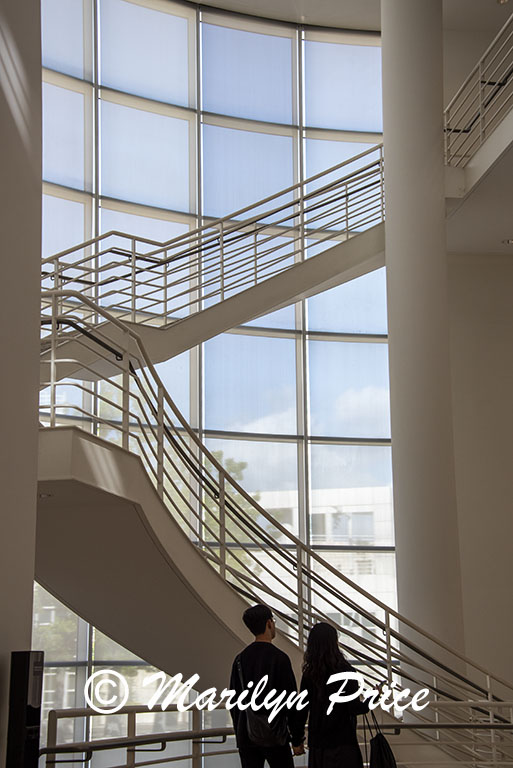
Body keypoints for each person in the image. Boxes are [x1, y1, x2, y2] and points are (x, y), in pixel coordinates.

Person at [230, 604, 303, 768]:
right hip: (275, 736)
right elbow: (291, 702)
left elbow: (234, 702)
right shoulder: (279, 658)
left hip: (247, 736)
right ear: (269, 623)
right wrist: (297, 739)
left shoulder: (240, 660)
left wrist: (241, 730)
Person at [292, 622, 369, 768]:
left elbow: (301, 710)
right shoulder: (347, 672)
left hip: (319, 745)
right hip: (344, 743)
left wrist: (297, 740)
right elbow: (354, 708)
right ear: (335, 642)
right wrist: (373, 698)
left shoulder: (310, 674)